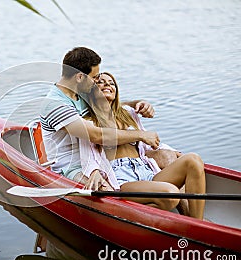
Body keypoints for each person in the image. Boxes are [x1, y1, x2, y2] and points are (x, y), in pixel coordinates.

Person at [81, 71, 205, 219]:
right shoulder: (87, 122)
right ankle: (136, 216)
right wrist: (95, 172)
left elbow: (147, 143)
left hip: (146, 170)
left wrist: (173, 152)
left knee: (193, 160)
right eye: (100, 82)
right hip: (121, 177)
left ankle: (197, 223)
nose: (107, 84)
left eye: (111, 83)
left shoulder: (128, 115)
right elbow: (87, 154)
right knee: (170, 194)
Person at [40, 47, 161, 192]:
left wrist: (136, 104)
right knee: (107, 192)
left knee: (168, 157)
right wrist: (141, 135)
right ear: (79, 77)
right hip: (73, 167)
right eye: (94, 77)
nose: (96, 82)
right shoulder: (55, 105)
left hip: (98, 157)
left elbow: (106, 104)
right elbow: (96, 135)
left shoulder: (79, 94)